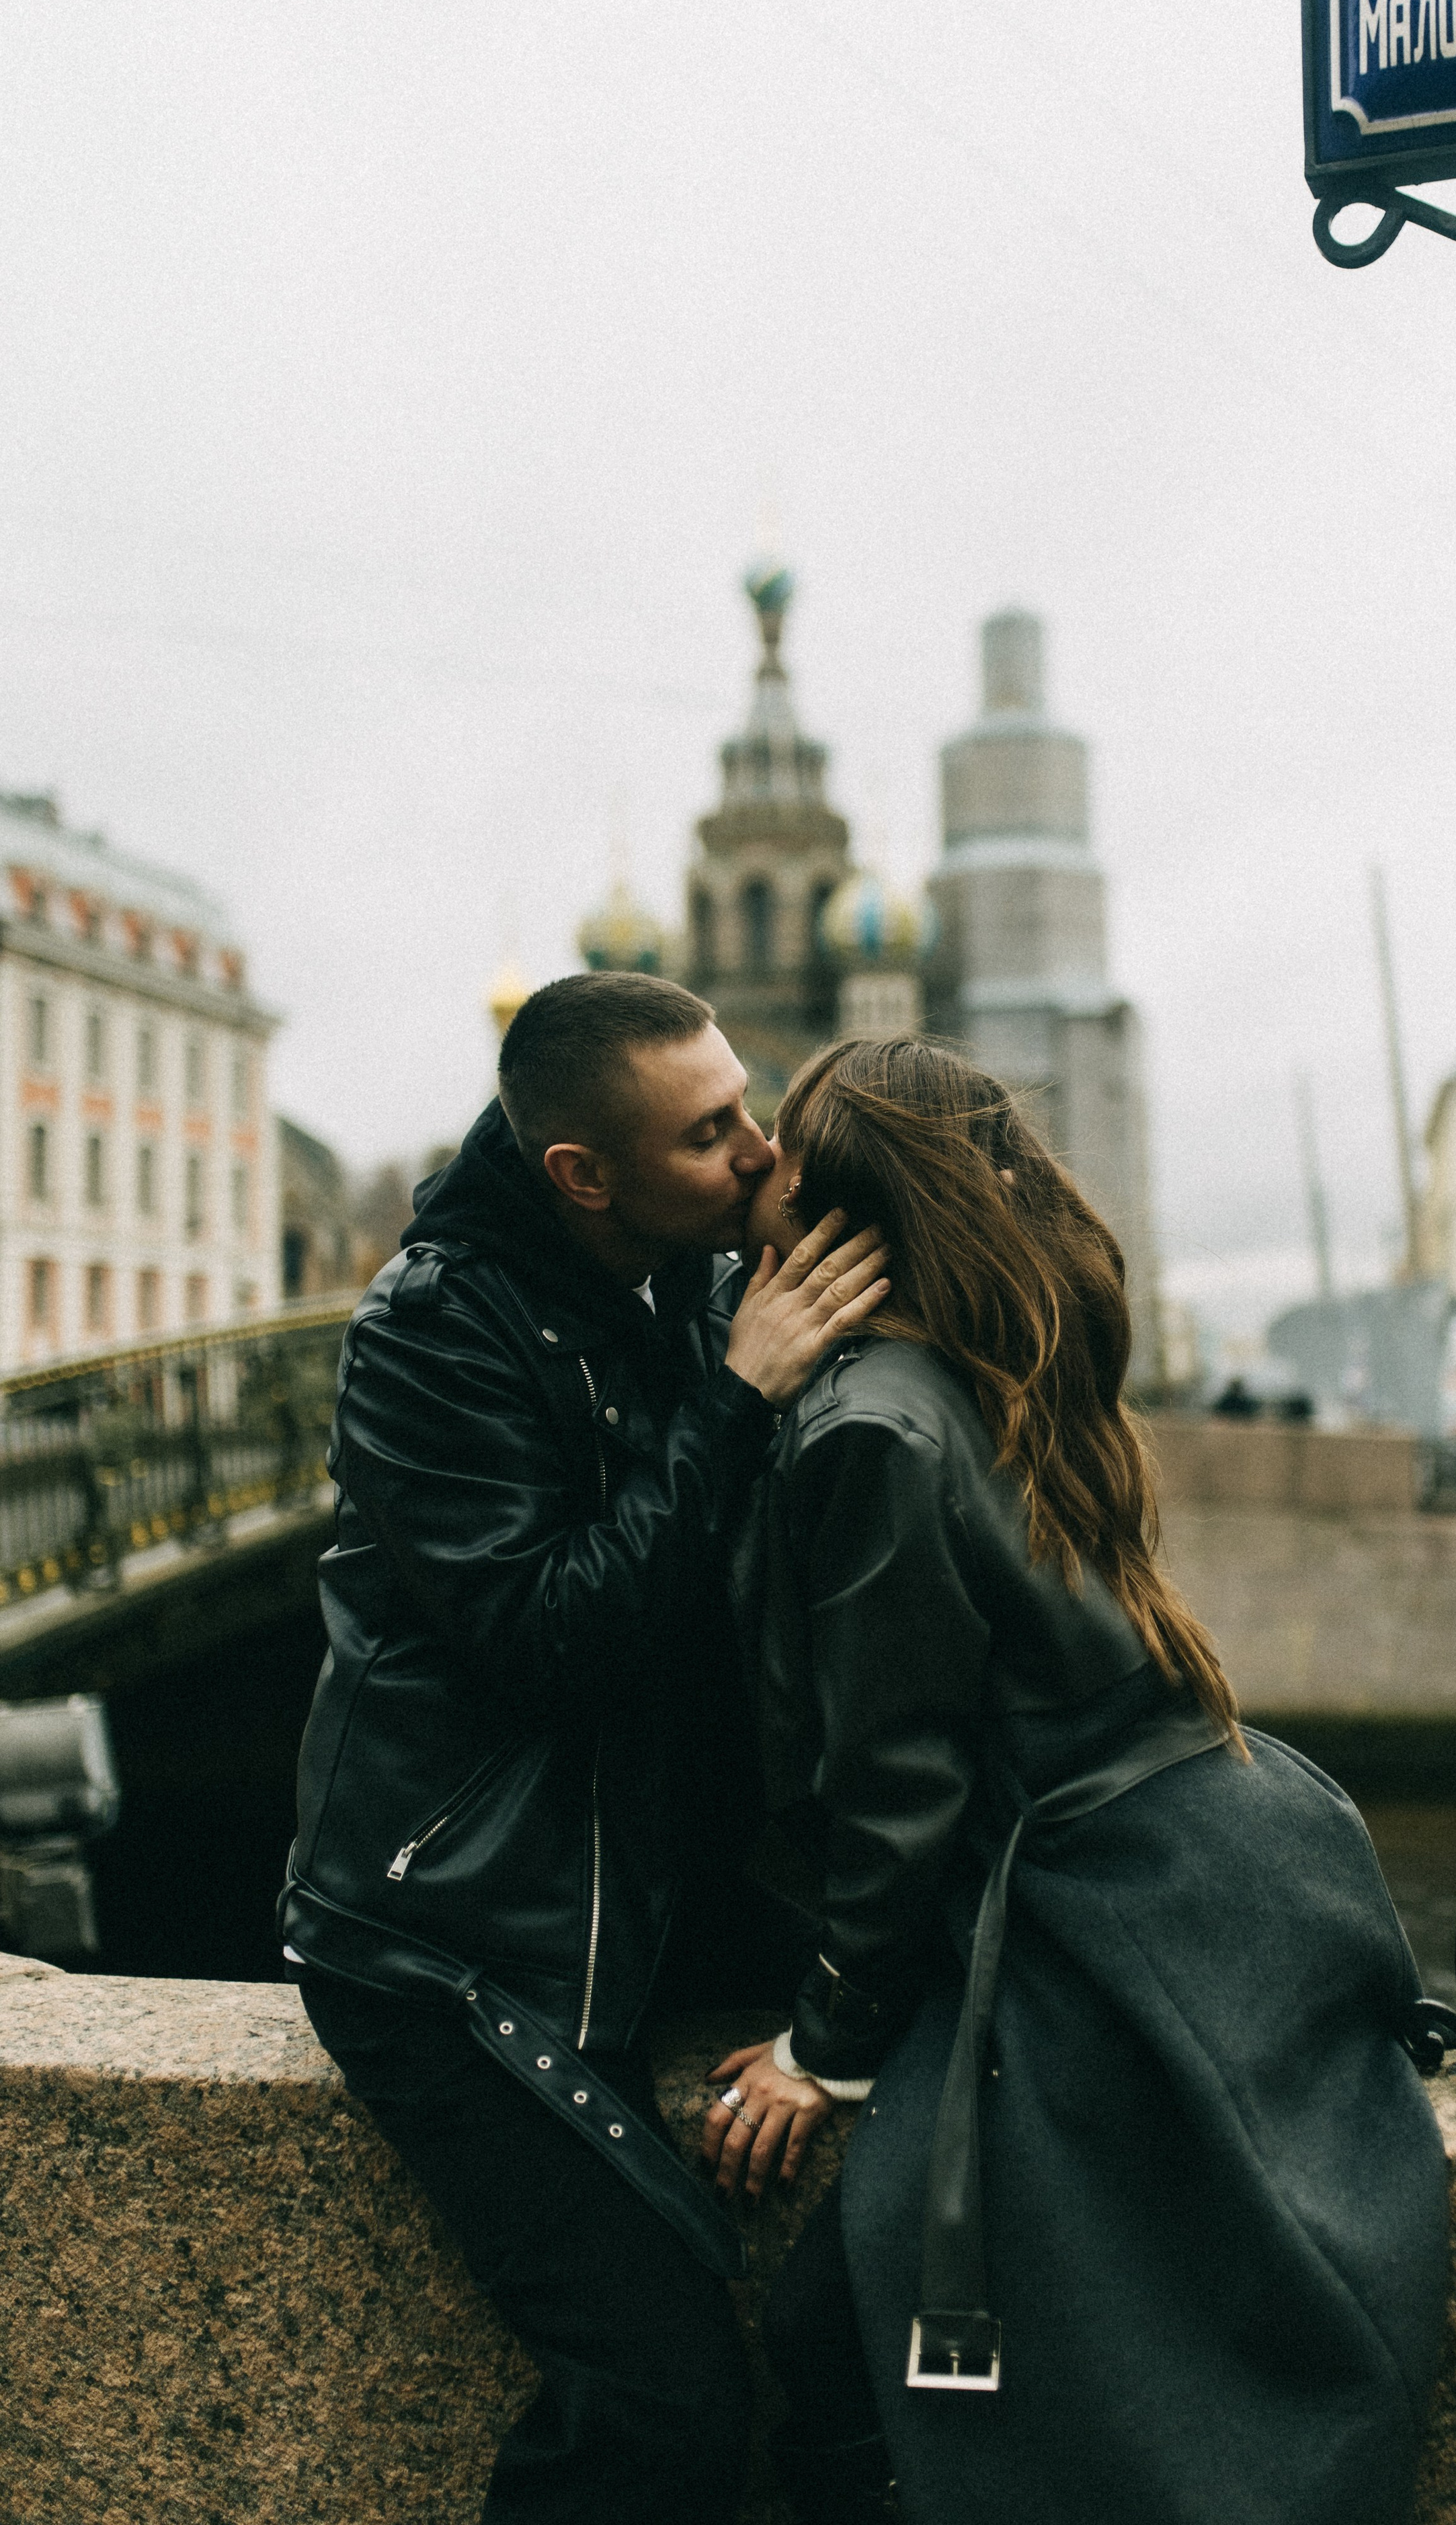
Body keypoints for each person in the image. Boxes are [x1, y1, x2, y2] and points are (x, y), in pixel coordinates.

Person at [702, 1037, 1449, 2525]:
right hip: (1228, 1861)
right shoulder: (996, 1358)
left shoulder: (868, 1426)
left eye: (777, 1143)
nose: (751, 1169)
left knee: (835, 2338)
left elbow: (894, 1779)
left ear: (837, 1205)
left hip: (1104, 1912)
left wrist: (826, 2046)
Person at [280, 971, 889, 2525]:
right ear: (580, 1175)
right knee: (665, 2394)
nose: (757, 1153)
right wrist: (743, 1395)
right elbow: (555, 1637)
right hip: (449, 1937)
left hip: (637, 1877)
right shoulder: (428, 1335)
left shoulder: (674, 1273)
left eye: (747, 1107)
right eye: (710, 1136)